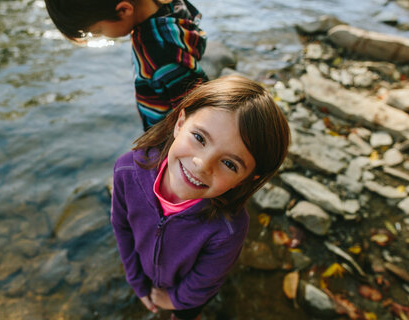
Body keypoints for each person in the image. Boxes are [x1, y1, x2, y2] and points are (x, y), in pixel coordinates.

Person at [111, 75, 291, 319]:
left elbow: (205, 280)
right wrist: (136, 281)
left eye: (229, 163)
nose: (202, 164)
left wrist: (175, 300)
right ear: (180, 122)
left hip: (189, 297)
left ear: (251, 178)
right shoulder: (127, 170)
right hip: (144, 273)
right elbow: (121, 227)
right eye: (199, 138)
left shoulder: (228, 228)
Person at [42, 0, 208, 130]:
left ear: (124, 10)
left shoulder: (158, 53)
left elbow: (195, 112)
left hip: (167, 137)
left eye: (97, 30)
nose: (99, 35)